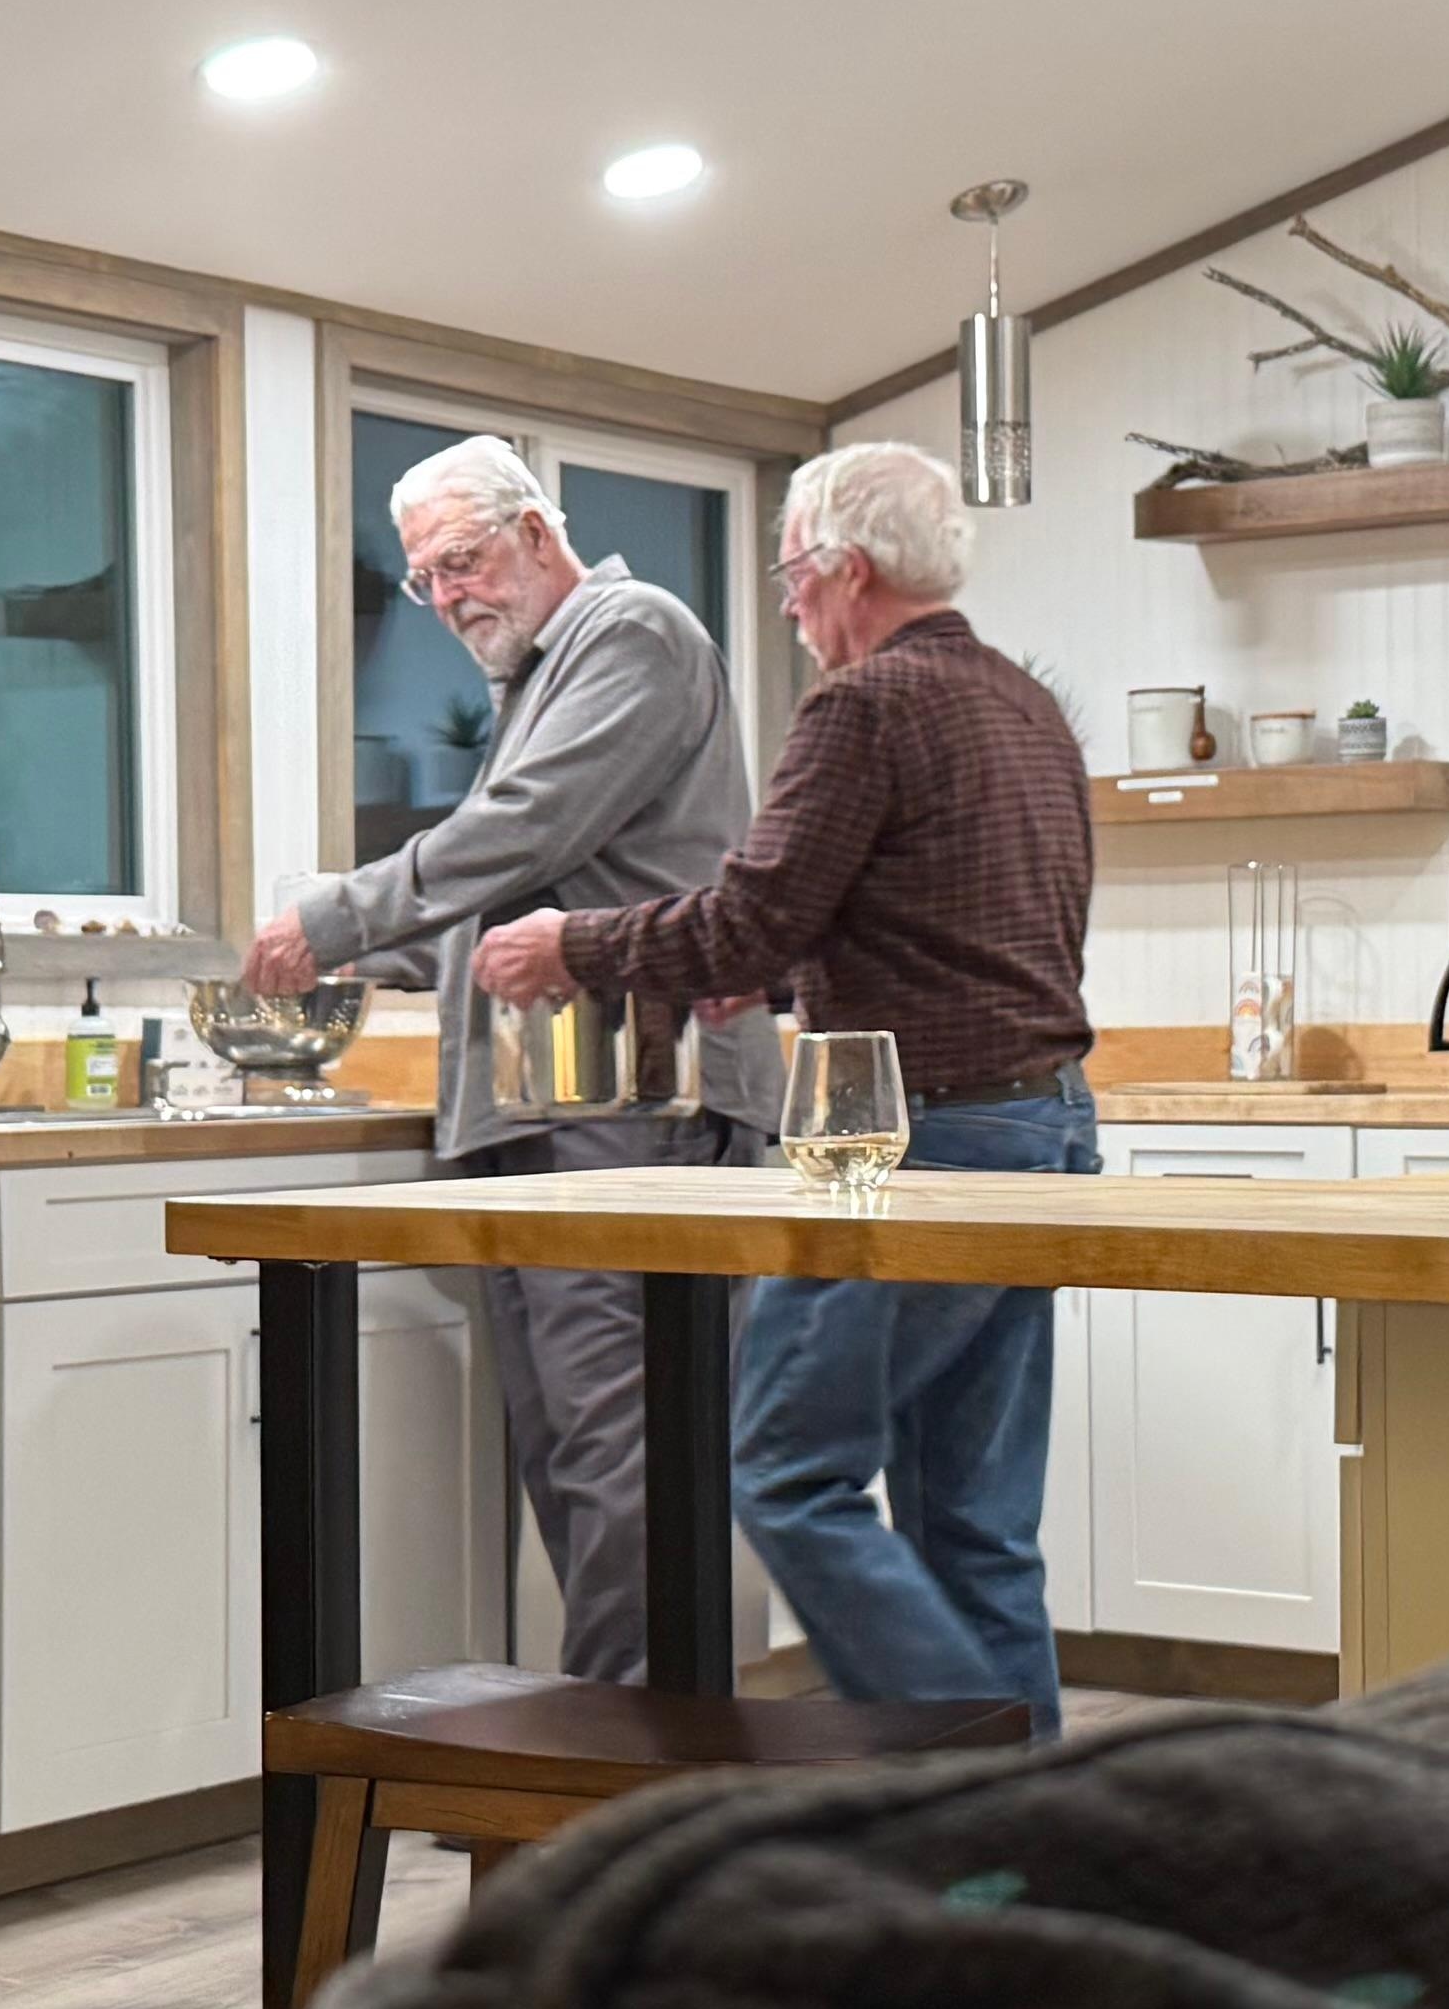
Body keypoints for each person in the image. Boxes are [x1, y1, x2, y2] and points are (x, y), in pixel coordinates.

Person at [476, 438, 1093, 1730]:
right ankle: (1028, 1836)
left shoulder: (864, 707)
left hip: (910, 1151)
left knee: (786, 1474)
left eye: (790, 581)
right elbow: (954, 922)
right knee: (976, 1520)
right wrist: (779, 983)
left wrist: (569, 944)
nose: (787, 610)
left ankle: (947, 1771)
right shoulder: (1026, 706)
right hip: (1043, 1129)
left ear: (845, 570)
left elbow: (750, 915)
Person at [246, 436, 779, 1683]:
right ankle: (601, 1783)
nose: (446, 598)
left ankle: (621, 1801)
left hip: (637, 1107)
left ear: (538, 532)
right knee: (580, 1461)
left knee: (622, 1459)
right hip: (560, 1110)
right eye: (426, 578)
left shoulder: (631, 630)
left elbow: (523, 829)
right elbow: (523, 897)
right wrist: (365, 961)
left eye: (463, 561)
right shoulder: (538, 676)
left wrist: (331, 918)